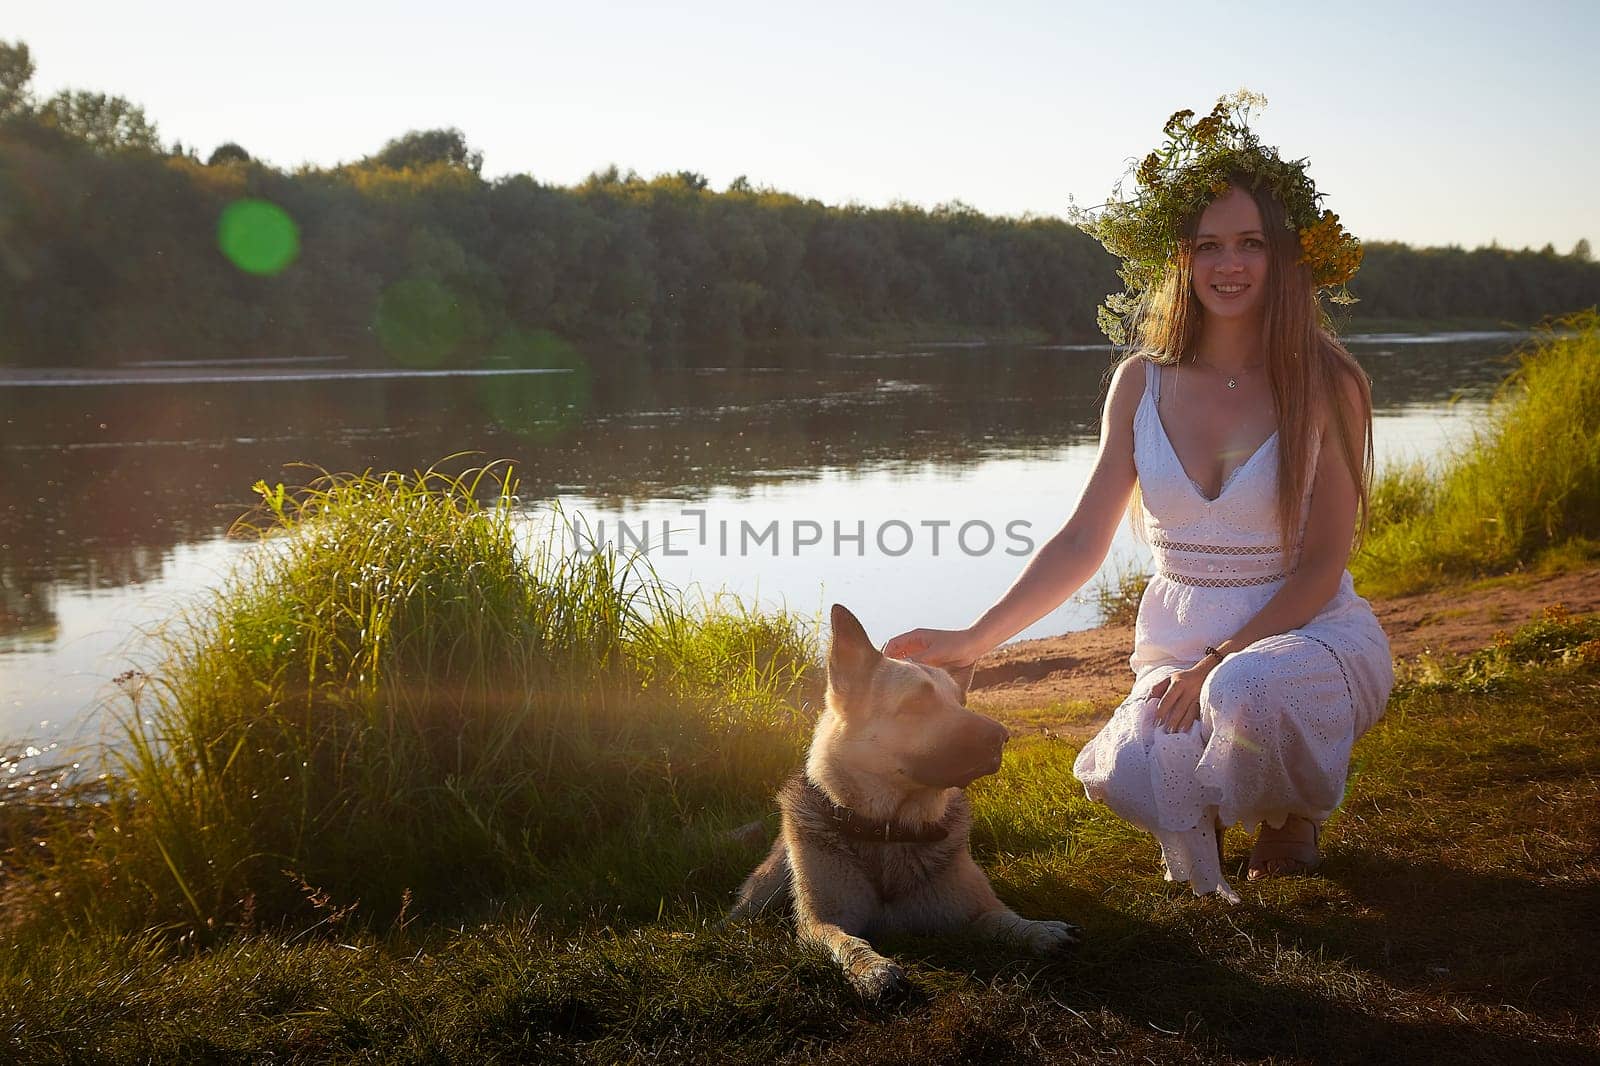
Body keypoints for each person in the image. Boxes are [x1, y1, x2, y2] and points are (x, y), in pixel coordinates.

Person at [883, 92, 1394, 901]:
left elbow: (1325, 563)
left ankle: (1291, 813)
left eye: (1251, 244)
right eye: (1208, 245)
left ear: (1284, 257)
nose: (1229, 265)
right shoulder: (1139, 383)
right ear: (1180, 259)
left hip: (1307, 636)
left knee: (1246, 690)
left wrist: (1222, 663)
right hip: (1179, 640)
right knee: (1135, 763)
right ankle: (1210, 790)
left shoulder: (1328, 381)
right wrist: (978, 637)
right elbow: (1084, 541)